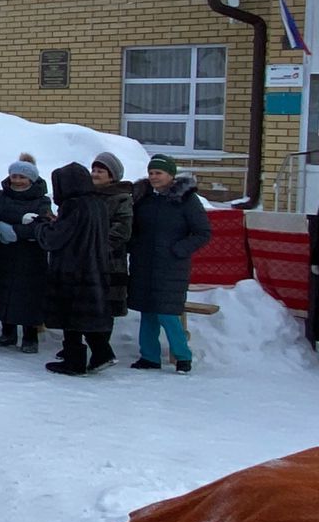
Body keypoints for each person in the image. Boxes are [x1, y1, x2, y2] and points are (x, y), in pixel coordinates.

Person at [128, 154, 211, 373]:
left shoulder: (186, 200)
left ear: (171, 176)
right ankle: (149, 356)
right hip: (144, 263)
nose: (154, 177)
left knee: (167, 312)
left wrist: (178, 250)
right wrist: (134, 246)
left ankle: (183, 357)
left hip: (171, 266)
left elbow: (202, 233)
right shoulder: (143, 198)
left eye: (159, 173)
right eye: (151, 173)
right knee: (147, 311)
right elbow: (133, 228)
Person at [31, 163, 114, 376]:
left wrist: (40, 225)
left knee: (71, 316)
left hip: (72, 268)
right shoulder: (97, 203)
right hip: (95, 266)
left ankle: (73, 360)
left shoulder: (73, 205)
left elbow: (54, 238)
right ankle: (101, 353)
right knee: (87, 313)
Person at [0, 155, 52, 353]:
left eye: (23, 177)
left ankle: (30, 336)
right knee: (3, 292)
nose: (18, 181)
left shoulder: (41, 201)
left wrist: (16, 232)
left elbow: (43, 225)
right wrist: (0, 227)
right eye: (14, 176)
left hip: (30, 257)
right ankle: (8, 332)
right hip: (4, 254)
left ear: (31, 179)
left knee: (29, 296)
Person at [79, 152, 133, 367]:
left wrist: (98, 247)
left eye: (100, 171)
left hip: (109, 261)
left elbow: (122, 230)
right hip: (86, 259)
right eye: (93, 170)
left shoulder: (121, 198)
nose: (95, 174)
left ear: (112, 176)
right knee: (86, 303)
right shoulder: (87, 196)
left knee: (104, 305)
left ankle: (102, 351)